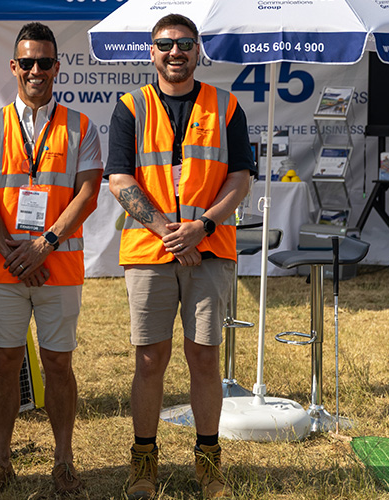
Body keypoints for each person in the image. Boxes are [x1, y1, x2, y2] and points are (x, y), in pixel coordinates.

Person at [105, 13, 255, 500]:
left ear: (198, 51)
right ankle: (143, 465)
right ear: (152, 51)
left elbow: (239, 178)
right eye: (166, 44)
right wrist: (171, 234)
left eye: (185, 44)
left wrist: (202, 227)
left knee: (204, 358)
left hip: (210, 249)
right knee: (150, 360)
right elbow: (120, 179)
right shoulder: (130, 107)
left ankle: (208, 466)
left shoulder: (226, 105)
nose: (176, 52)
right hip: (151, 251)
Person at [0, 22, 102, 497]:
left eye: (45, 62)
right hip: (4, 268)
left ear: (57, 67)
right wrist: (13, 253)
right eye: (27, 62)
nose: (36, 71)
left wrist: (43, 244)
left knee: (58, 366)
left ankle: (63, 463)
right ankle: (0, 461)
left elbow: (87, 193)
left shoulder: (81, 125)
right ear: (14, 66)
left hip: (59, 266)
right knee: (4, 364)